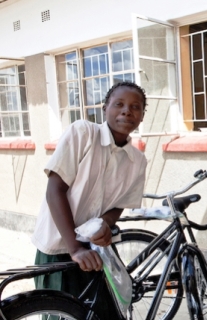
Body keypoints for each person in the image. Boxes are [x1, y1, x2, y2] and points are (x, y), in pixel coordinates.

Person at [31, 81, 148, 319]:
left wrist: (105, 222)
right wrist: (74, 248)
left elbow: (119, 204)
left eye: (136, 107)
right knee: (63, 314)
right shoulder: (83, 133)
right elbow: (55, 189)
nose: (127, 111)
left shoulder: (138, 161)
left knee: (104, 313)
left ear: (142, 116)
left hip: (96, 251)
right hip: (58, 247)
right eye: (119, 104)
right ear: (105, 108)